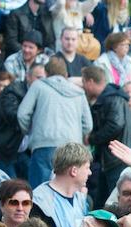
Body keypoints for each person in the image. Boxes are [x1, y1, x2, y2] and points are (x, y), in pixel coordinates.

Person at [18, 58, 92, 189]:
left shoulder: (38, 85)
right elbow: (88, 125)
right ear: (65, 74)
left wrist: (30, 132)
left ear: (46, 72)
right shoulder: (78, 92)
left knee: (39, 192)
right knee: (70, 192)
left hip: (44, 146)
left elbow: (22, 114)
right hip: (73, 148)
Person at [82, 64, 131, 208]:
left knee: (114, 203)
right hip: (113, 158)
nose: (83, 87)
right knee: (103, 202)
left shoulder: (113, 99)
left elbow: (115, 125)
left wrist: (92, 138)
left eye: (84, 83)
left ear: (90, 82)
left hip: (117, 158)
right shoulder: (111, 97)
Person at [31, 142, 90, 227]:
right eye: (87, 168)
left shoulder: (81, 199)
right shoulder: (40, 201)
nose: (90, 172)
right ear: (74, 171)